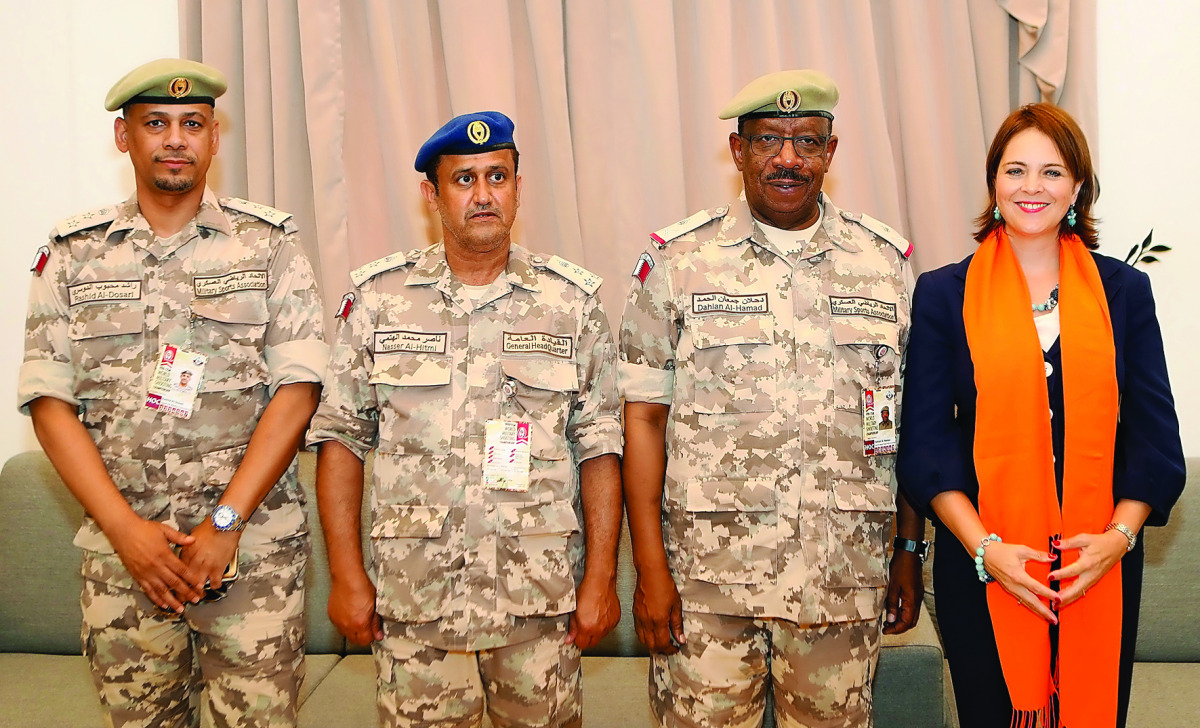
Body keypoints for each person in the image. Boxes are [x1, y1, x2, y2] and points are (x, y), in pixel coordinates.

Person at [19, 58, 327, 727]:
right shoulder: (73, 255)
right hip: (124, 562)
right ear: (124, 137)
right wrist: (127, 534)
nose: (176, 139)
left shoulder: (268, 245)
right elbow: (49, 404)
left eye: (193, 124)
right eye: (155, 123)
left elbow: (298, 390)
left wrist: (223, 525)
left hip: (251, 557)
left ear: (216, 137)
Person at [619, 69, 926, 728]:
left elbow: (904, 421)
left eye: (806, 141)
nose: (788, 158)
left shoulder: (885, 265)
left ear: (830, 152)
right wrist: (650, 569)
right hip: (706, 587)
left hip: (840, 580)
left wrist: (908, 549)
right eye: (768, 141)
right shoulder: (679, 260)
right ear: (738, 151)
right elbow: (642, 420)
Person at [307, 111, 623, 727]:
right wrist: (346, 577)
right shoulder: (378, 299)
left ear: (517, 186)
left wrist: (602, 579)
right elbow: (341, 441)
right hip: (416, 600)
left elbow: (600, 446)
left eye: (497, 177)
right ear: (432, 194)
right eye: (464, 180)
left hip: (538, 600)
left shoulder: (570, 303)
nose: (484, 196)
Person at [897, 103, 1185, 728]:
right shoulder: (946, 293)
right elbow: (925, 443)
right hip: (986, 565)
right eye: (1016, 169)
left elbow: (1154, 438)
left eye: (1052, 172)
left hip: (1098, 567)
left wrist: (1118, 539)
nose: (1033, 187)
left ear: (1078, 187)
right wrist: (986, 549)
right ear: (994, 183)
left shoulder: (1123, 293)